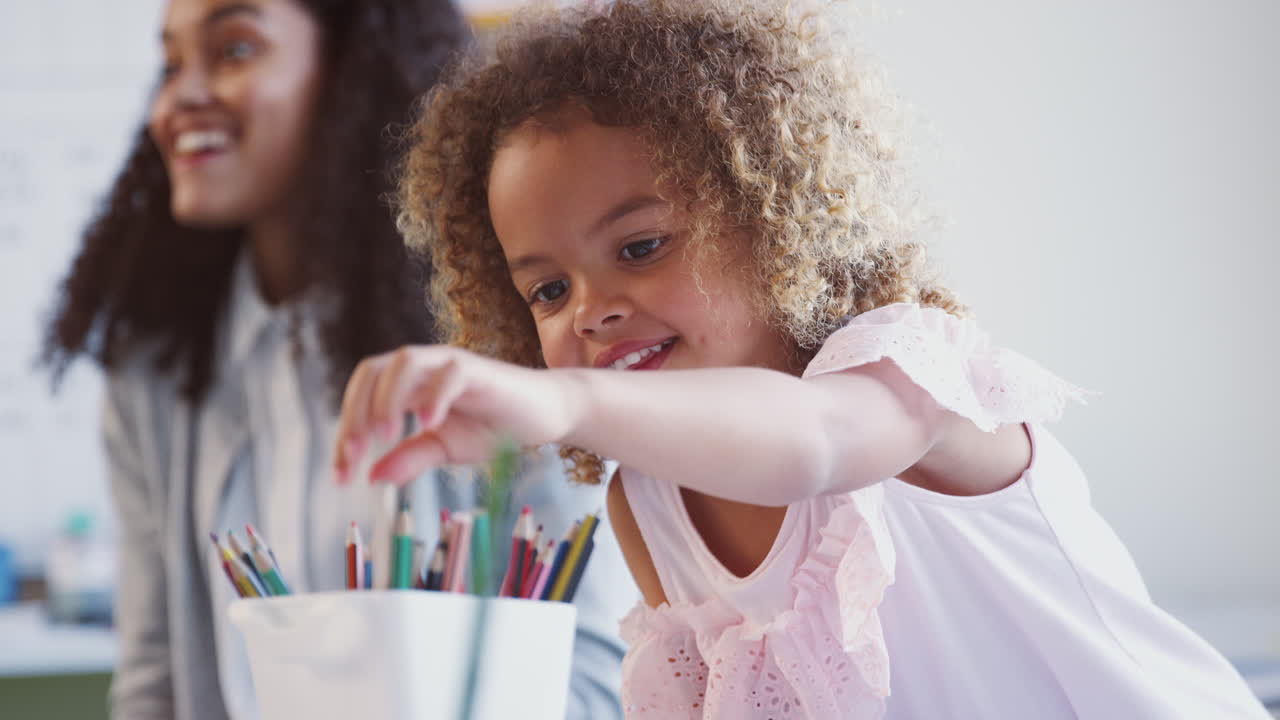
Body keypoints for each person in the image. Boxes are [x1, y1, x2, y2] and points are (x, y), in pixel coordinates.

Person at [331, 0, 1271, 717]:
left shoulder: (909, 374)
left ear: (771, 221)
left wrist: (569, 402)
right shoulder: (646, 503)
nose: (592, 311)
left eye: (641, 246)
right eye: (546, 291)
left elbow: (816, 442)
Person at [43, 1, 633, 718]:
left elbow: (594, 679)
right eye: (172, 64)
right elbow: (155, 682)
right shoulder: (156, 371)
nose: (180, 97)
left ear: (353, 66)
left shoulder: (502, 336)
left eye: (233, 49)